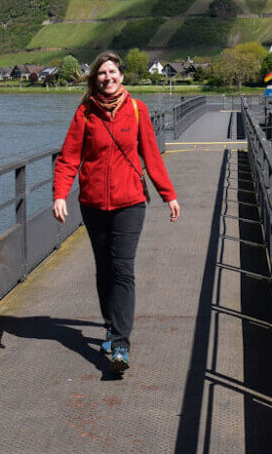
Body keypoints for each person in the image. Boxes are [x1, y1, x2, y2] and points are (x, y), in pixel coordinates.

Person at [52, 50, 180, 373]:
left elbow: (151, 156)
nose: (107, 78)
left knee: (123, 268)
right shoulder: (85, 113)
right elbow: (68, 158)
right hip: (93, 204)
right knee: (104, 268)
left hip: (130, 203)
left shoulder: (138, 110)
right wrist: (60, 195)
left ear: (122, 77)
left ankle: (121, 341)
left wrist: (169, 195)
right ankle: (110, 324)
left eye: (112, 72)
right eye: (101, 74)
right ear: (95, 79)